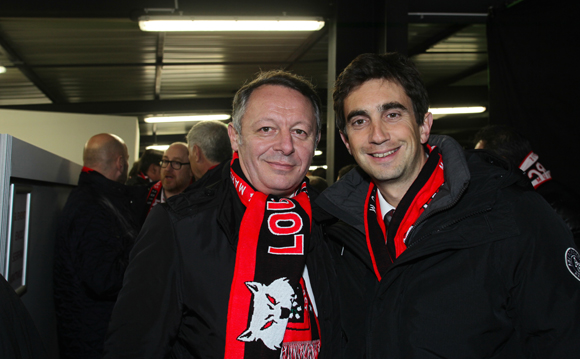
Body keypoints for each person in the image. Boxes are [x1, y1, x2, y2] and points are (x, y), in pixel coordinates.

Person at [316, 53, 580, 358]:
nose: (378, 135)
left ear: (424, 125)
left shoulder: (511, 213)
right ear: (346, 141)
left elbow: (565, 338)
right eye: (360, 121)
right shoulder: (335, 232)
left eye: (393, 115)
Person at [104, 71, 341, 359]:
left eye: (300, 131)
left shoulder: (332, 223)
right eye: (266, 129)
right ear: (235, 137)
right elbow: (133, 347)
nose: (286, 146)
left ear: (316, 140)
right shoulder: (178, 226)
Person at [54, 133, 143, 359]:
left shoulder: (95, 199)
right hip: (95, 340)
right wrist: (144, 257)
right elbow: (102, 278)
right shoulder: (92, 208)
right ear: (120, 162)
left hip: (94, 333)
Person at [474, 125, 580, 247]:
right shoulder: (534, 198)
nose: (477, 169)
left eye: (482, 162)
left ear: (501, 162)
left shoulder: (551, 206)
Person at [144, 142, 193, 213]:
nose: (168, 168)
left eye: (176, 163)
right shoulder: (143, 199)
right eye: (165, 161)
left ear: (191, 170)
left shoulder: (202, 203)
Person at [185, 119, 232, 188]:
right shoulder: (241, 184)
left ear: (196, 153)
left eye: (189, 153)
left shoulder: (198, 196)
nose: (188, 158)